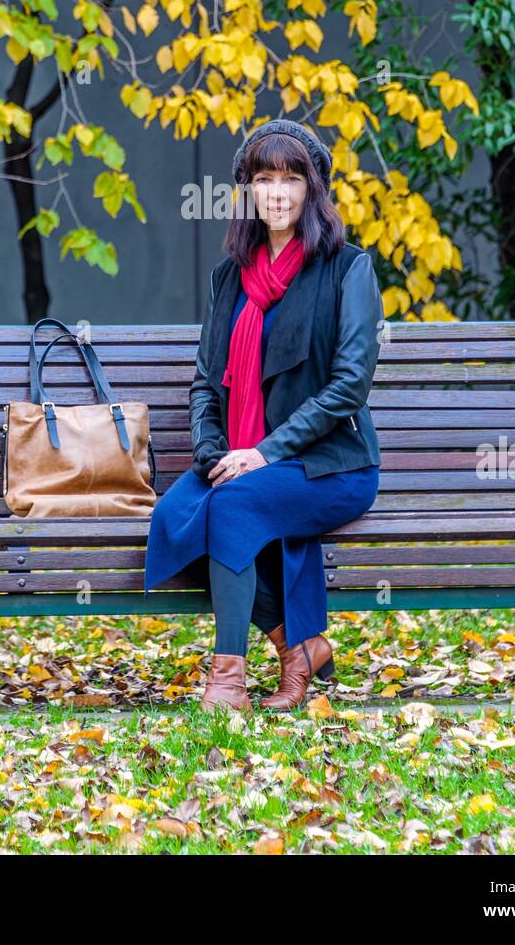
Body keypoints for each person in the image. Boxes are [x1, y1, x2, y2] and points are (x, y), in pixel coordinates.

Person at [143, 118, 382, 712]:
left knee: (230, 505)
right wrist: (210, 452)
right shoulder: (231, 275)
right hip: (244, 454)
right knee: (176, 516)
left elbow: (348, 386)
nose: (277, 192)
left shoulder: (348, 269)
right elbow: (205, 381)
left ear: (313, 189)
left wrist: (265, 453)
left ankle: (227, 683)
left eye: (291, 179)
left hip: (331, 463)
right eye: (263, 178)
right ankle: (297, 648)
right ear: (248, 189)